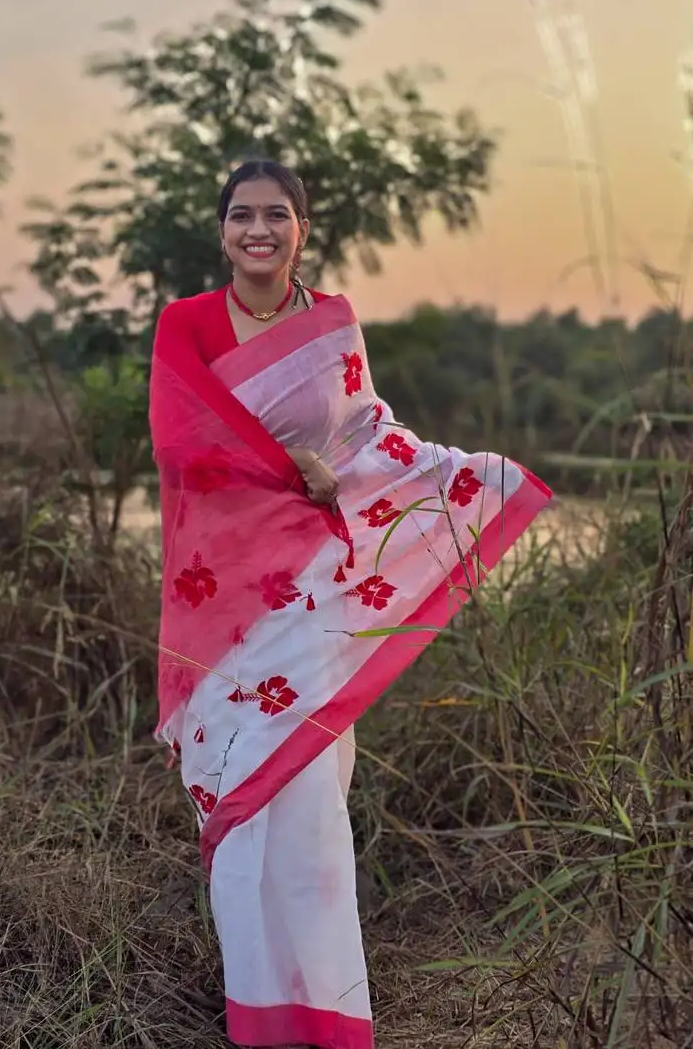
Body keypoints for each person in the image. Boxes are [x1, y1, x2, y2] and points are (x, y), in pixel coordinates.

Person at [149, 160, 552, 1049]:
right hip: (227, 598)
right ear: (220, 231)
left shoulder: (329, 325)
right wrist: (294, 469)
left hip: (314, 596)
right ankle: (256, 1008)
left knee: (307, 791)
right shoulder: (186, 325)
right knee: (243, 793)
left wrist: (460, 475)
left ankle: (325, 1014)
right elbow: (184, 442)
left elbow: (371, 432)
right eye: (242, 216)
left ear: (302, 229)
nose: (259, 230)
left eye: (277, 216)